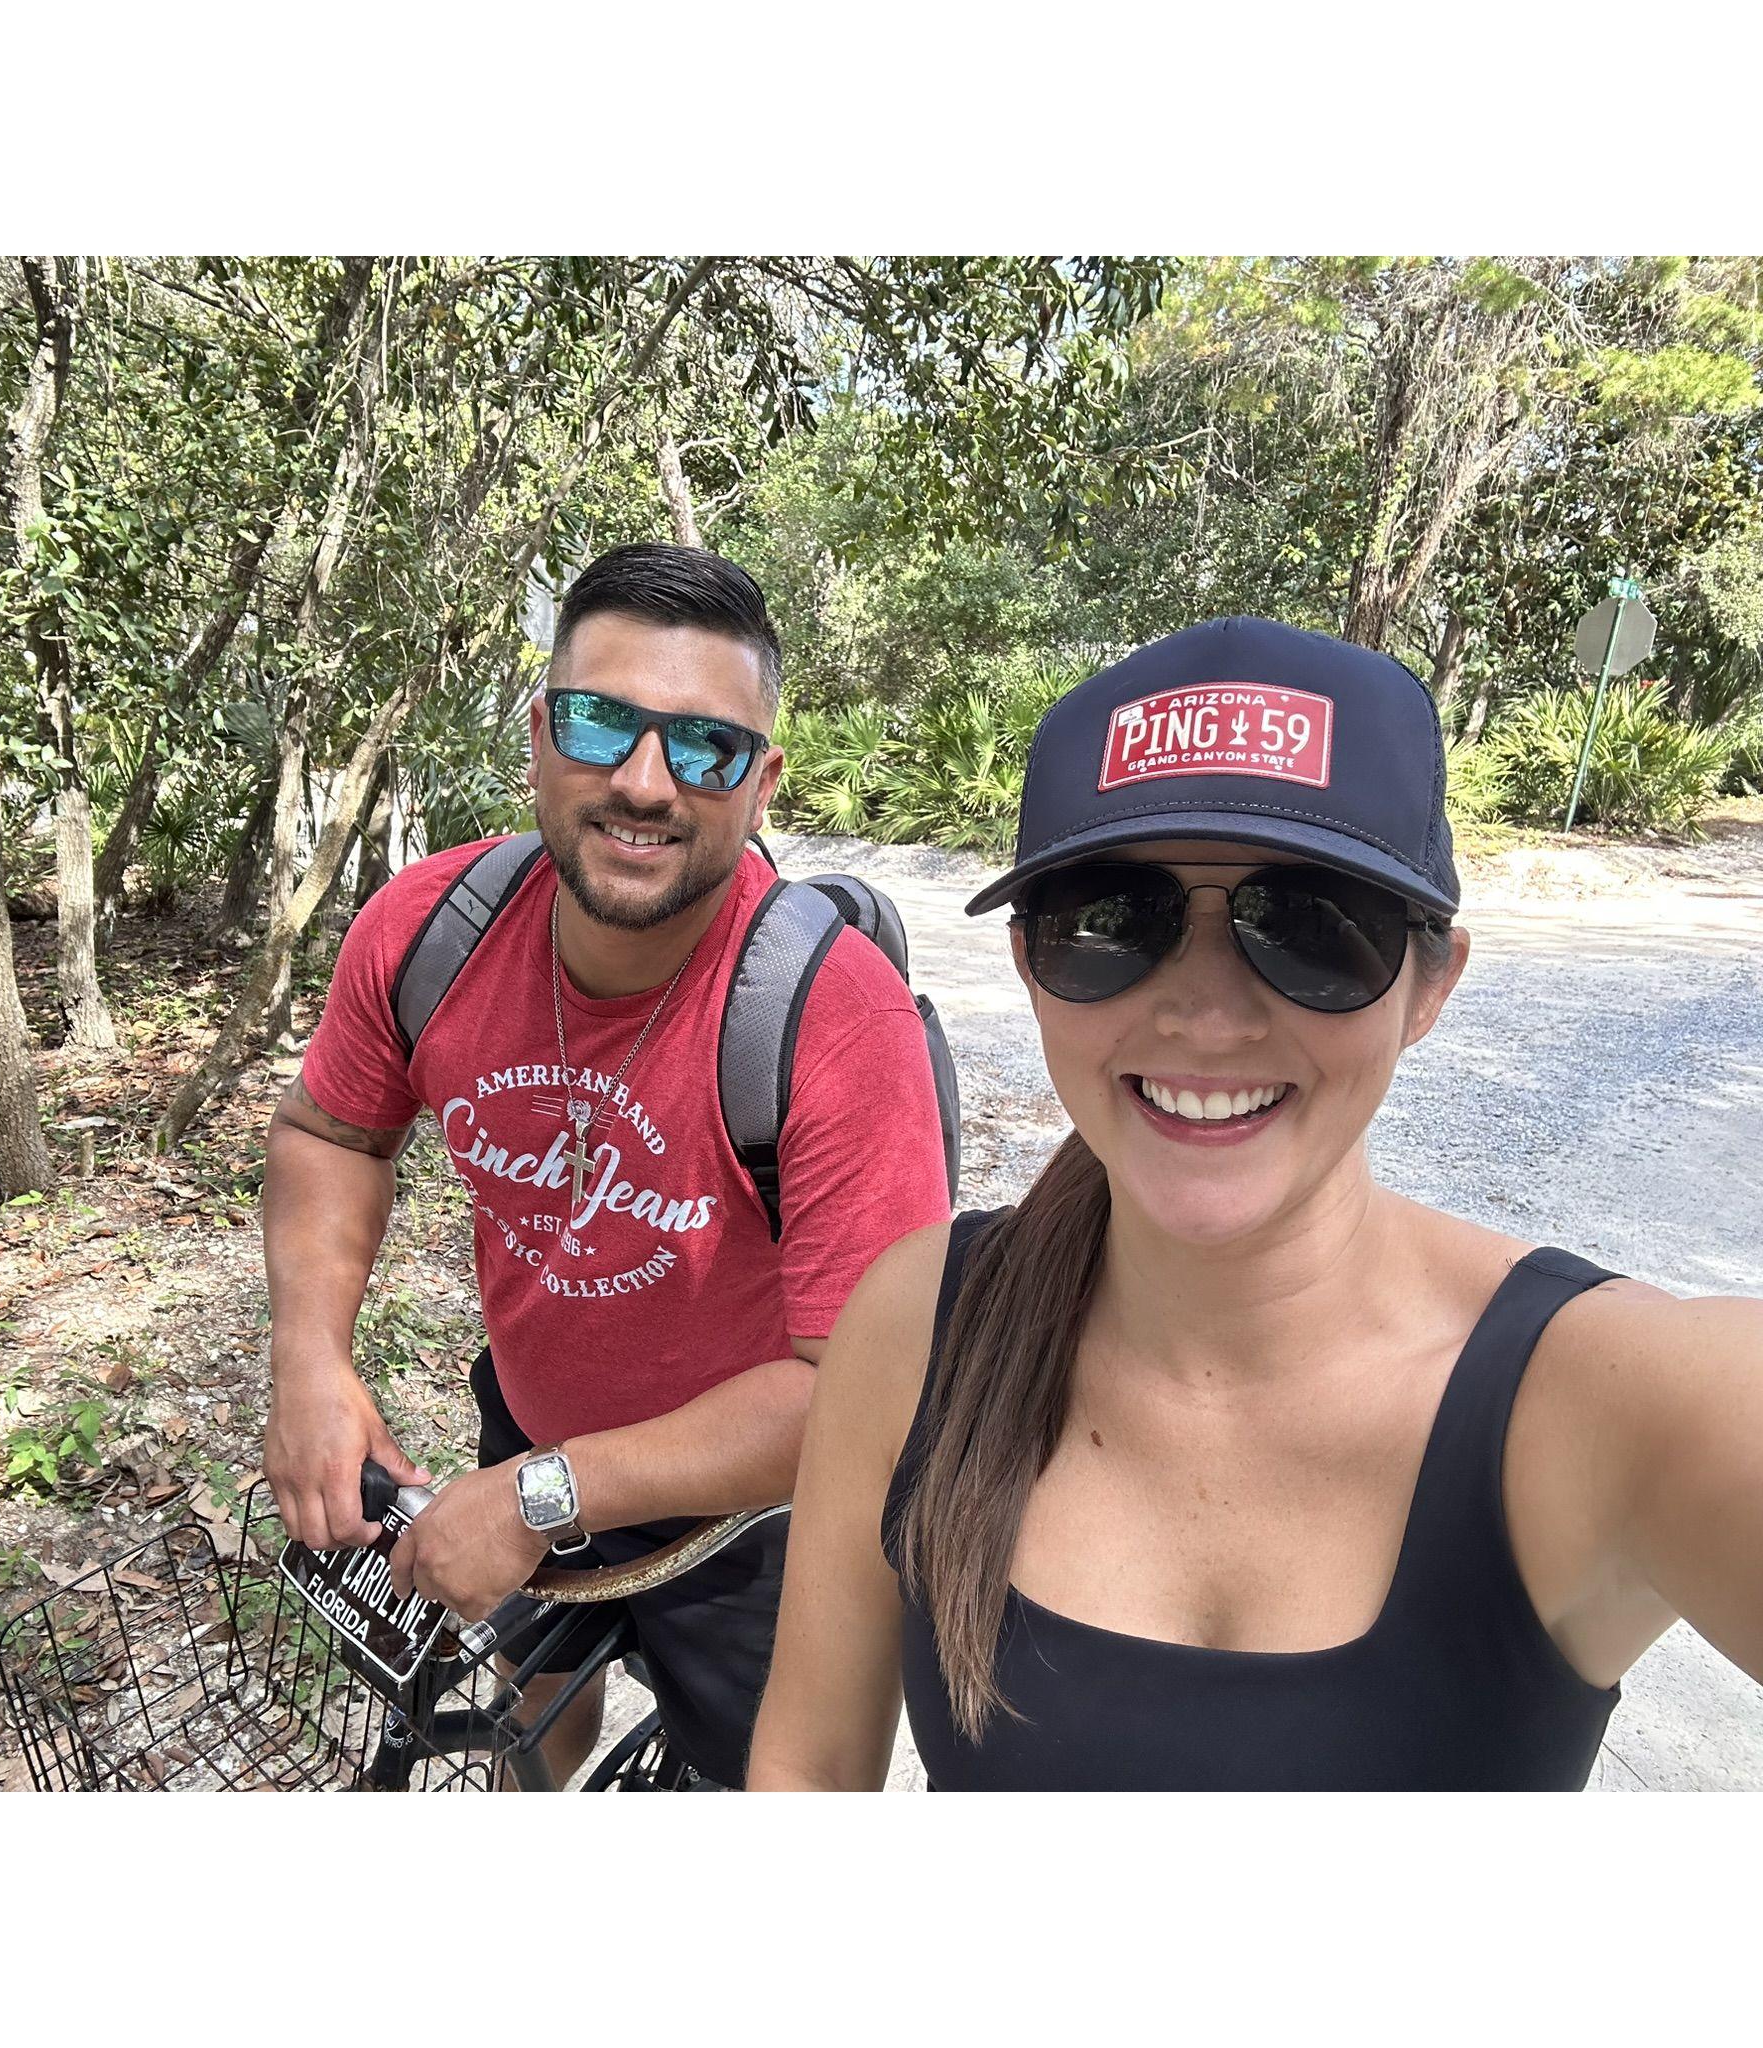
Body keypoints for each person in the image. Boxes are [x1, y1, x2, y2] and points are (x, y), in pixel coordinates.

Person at [748, 615, 1763, 1791]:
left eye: (1314, 925)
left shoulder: (1605, 1401)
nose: (1207, 1017)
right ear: (1027, 964)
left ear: (1429, 983)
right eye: (1111, 919)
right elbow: (807, 1771)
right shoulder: (917, 1327)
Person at [262, 542, 953, 1788]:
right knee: (529, 1714)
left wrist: (534, 1497)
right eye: (600, 721)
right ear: (537, 734)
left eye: (705, 746)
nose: (644, 782)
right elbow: (331, 1132)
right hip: (533, 1414)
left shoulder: (832, 1020)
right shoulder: (429, 931)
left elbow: (862, 1390)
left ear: (760, 784)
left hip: (767, 1516)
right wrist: (310, 1356)